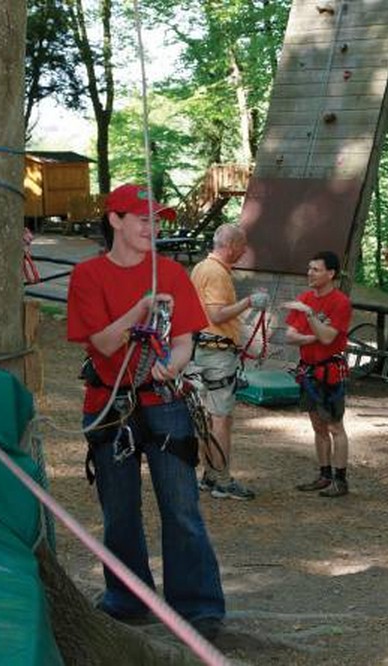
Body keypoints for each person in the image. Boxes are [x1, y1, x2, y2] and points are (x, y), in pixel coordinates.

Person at [66, 183, 224, 636]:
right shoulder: (89, 276)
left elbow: (184, 342)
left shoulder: (171, 273)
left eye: (157, 221)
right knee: (120, 510)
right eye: (143, 220)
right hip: (110, 405)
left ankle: (197, 606)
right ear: (115, 220)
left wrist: (169, 368)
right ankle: (128, 599)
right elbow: (101, 342)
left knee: (181, 507)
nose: (152, 228)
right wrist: (139, 309)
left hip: (165, 404)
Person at [186, 222, 263, 500]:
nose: (244, 252)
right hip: (216, 353)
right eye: (242, 247)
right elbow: (217, 315)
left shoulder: (201, 268)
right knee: (221, 418)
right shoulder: (217, 274)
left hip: (201, 349)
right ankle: (222, 480)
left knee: (209, 417)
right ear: (230, 246)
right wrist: (249, 302)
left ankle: (209, 474)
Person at [285, 251, 353, 497]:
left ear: (330, 273)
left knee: (335, 426)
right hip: (308, 370)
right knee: (317, 426)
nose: (309, 273)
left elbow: (328, 338)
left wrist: (310, 314)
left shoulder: (340, 302)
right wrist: (314, 335)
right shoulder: (304, 298)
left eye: (316, 269)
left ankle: (340, 480)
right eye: (309, 268)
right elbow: (290, 336)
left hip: (330, 371)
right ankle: (324, 475)